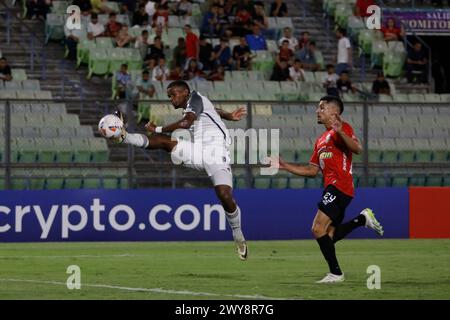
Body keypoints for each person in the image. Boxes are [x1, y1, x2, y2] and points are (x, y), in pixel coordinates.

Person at [108, 80, 249, 260]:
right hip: (198, 151)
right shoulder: (195, 104)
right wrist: (229, 115)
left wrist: (157, 128)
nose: (171, 99)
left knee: (224, 194)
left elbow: (186, 123)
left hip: (216, 153)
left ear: (185, 92)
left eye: (173, 94)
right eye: (169, 96)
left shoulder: (196, 97)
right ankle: (124, 137)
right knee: (165, 143)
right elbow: (214, 111)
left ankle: (238, 235)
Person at [269, 95, 384, 283]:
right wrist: (285, 166)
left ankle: (336, 273)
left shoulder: (342, 128)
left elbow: (358, 149)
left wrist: (341, 132)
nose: (318, 111)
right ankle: (362, 219)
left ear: (334, 112)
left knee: (317, 228)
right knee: (328, 235)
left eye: (322, 107)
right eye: (318, 108)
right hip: (333, 188)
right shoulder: (321, 140)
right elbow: (312, 170)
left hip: (340, 185)